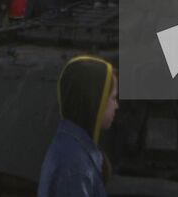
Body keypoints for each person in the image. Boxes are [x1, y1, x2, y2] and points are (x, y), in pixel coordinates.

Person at [37, 56, 118, 197]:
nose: (117, 105)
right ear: (94, 101)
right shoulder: (74, 166)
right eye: (112, 98)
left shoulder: (72, 148)